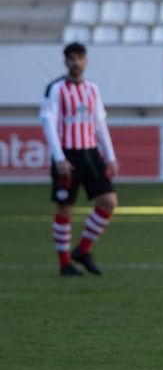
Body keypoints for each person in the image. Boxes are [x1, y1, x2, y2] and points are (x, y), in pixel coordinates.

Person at [41, 42, 118, 278]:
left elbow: (99, 124)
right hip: (67, 155)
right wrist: (59, 158)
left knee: (109, 201)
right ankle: (64, 264)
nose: (76, 62)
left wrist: (110, 156)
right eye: (71, 58)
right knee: (65, 207)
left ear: (85, 61)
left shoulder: (92, 89)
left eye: (79, 58)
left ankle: (83, 250)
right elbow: (49, 123)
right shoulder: (55, 89)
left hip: (90, 154)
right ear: (65, 61)